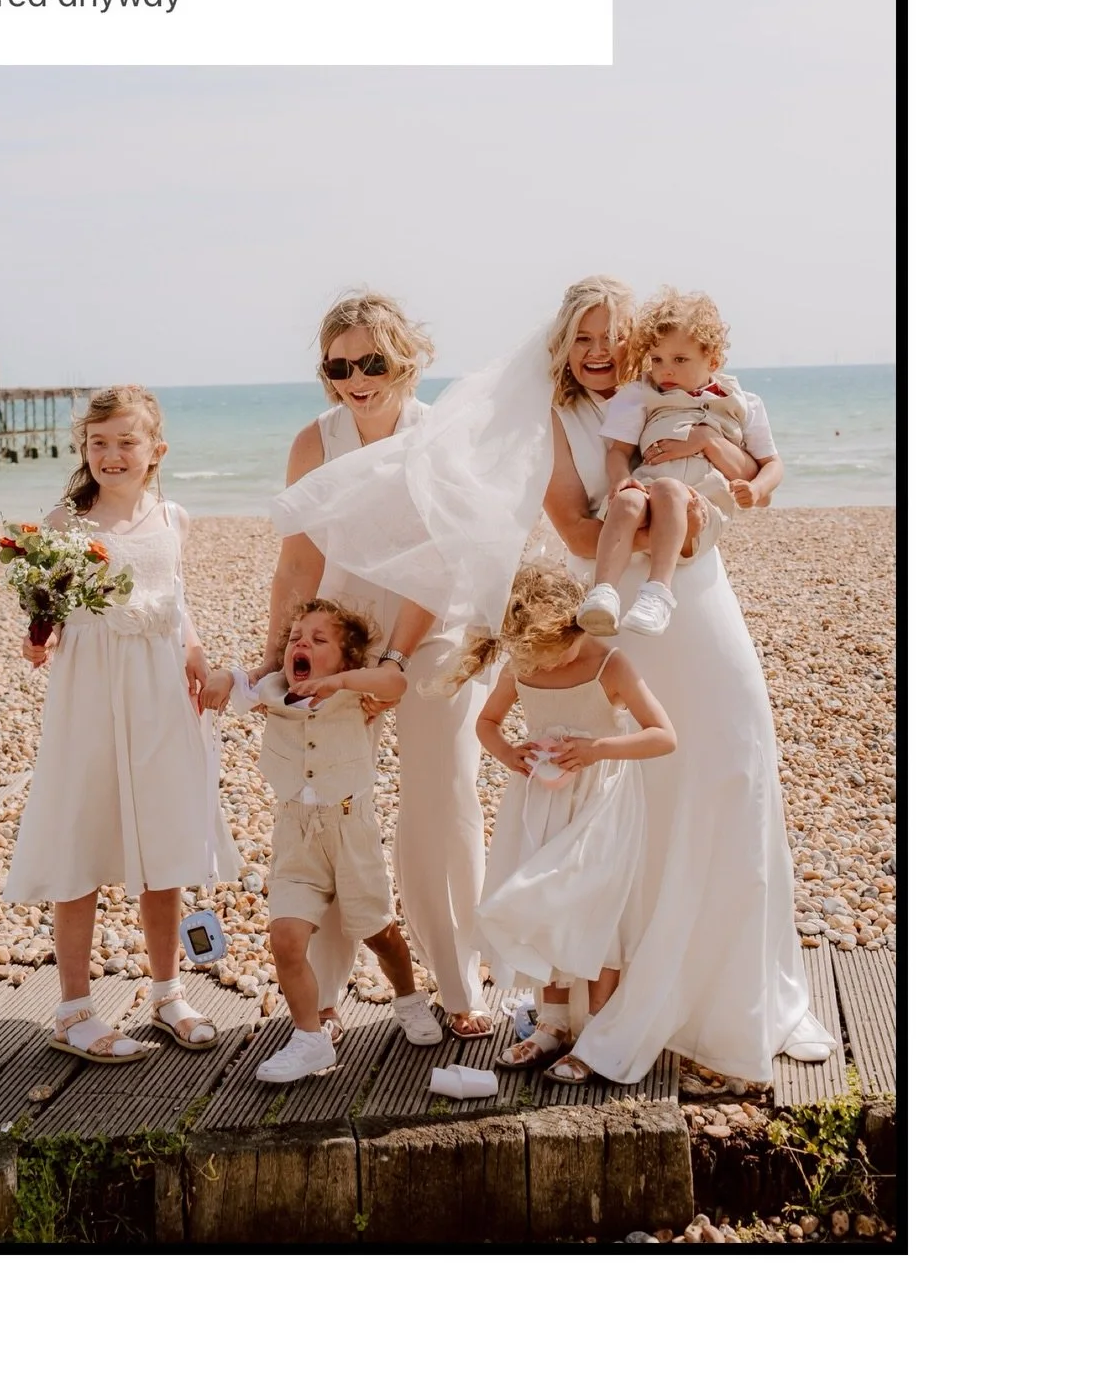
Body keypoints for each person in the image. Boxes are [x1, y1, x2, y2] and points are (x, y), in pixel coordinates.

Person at [540, 279, 835, 1081]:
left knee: (736, 767)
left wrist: (708, 466)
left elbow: (754, 473)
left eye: (611, 337)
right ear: (564, 346)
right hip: (614, 612)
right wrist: (674, 520)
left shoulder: (680, 396)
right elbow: (572, 523)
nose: (599, 351)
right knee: (645, 798)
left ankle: (749, 996)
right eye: (583, 338)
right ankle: (632, 997)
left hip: (700, 602)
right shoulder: (565, 419)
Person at [259, 293, 494, 1040]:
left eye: (374, 361)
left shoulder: (441, 437)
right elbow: (298, 561)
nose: (357, 378)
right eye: (339, 365)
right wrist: (277, 662)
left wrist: (394, 664)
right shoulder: (314, 442)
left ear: (408, 359)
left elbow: (446, 560)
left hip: (433, 639)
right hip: (339, 647)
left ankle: (459, 981)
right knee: (325, 808)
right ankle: (323, 991)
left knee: (442, 805)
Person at [4, 385, 240, 1064]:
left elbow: (176, 597)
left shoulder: (173, 516)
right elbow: (45, 602)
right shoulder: (66, 520)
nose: (111, 455)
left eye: (125, 442)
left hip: (161, 688)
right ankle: (73, 1009)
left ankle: (167, 992)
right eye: (98, 443)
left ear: (155, 451)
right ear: (84, 450)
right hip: (90, 691)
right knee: (84, 832)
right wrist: (37, 637)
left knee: (162, 836)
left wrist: (195, 652)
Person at [442, 565, 676, 1084]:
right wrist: (511, 754)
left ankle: (597, 1031)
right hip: (541, 804)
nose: (545, 667)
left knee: (599, 908)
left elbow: (663, 736)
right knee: (544, 904)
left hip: (601, 804)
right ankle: (550, 1025)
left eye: (556, 654)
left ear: (578, 627)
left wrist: (596, 750)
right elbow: (487, 723)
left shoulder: (610, 665)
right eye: (534, 660)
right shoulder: (522, 663)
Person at [204, 599, 444, 1081]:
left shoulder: (357, 692)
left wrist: (341, 682)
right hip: (294, 834)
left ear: (347, 659)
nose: (302, 644)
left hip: (350, 828)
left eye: (318, 640)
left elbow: (395, 681)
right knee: (285, 939)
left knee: (379, 931)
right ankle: (310, 1038)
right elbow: (238, 683)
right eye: (296, 637)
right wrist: (224, 677)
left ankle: (408, 997)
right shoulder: (274, 689)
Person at [576, 287, 783, 637]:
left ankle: (657, 593)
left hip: (699, 508)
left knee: (672, 490)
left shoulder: (744, 402)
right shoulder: (641, 395)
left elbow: (772, 464)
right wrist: (620, 480)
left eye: (680, 360)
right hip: (650, 491)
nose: (665, 370)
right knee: (628, 500)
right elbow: (618, 452)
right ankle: (603, 594)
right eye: (657, 360)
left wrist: (756, 487)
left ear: (712, 361)